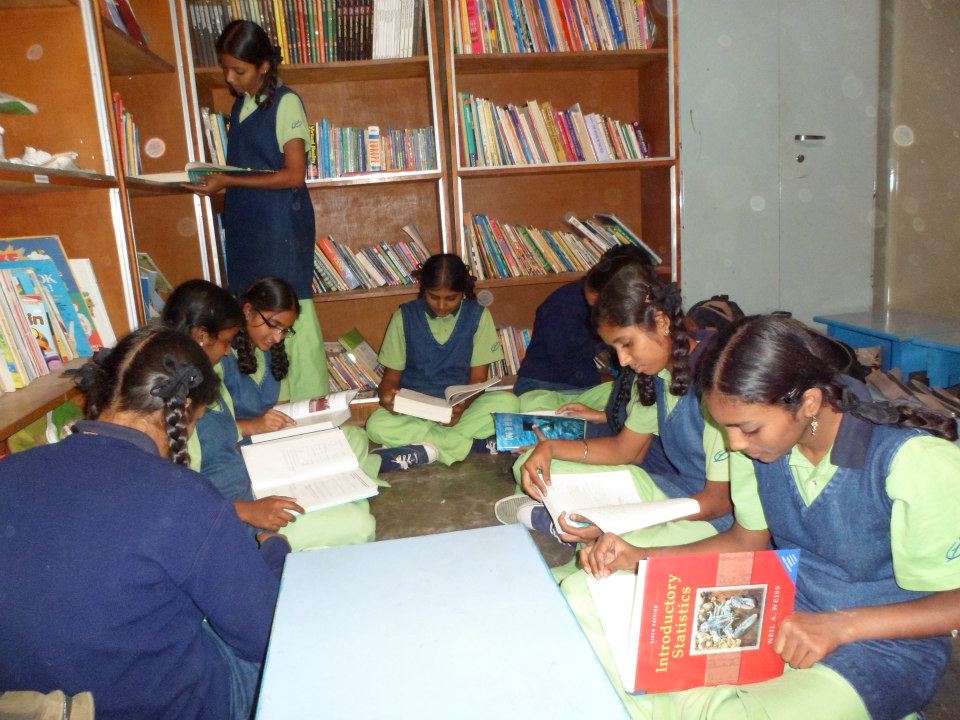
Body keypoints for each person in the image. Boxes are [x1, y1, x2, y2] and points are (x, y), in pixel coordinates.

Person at [567, 314, 960, 719]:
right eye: (727, 429)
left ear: (808, 402)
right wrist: (640, 558)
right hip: (778, 608)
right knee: (583, 596)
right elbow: (744, 541)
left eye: (748, 429)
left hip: (882, 646)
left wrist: (841, 626)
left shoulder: (913, 461)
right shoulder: (762, 448)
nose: (734, 444)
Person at [0, 326, 289, 720]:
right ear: (183, 412)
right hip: (158, 706)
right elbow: (268, 636)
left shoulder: (10, 472)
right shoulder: (186, 498)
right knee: (286, 649)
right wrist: (274, 551)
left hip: (38, 706)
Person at [499, 265, 734, 546]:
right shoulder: (654, 374)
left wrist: (620, 521)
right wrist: (551, 447)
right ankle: (573, 522)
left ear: (661, 322)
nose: (622, 361)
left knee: (599, 572)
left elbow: (719, 502)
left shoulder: (718, 378)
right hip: (668, 490)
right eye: (615, 349)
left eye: (627, 344)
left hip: (708, 515)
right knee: (533, 464)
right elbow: (625, 450)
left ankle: (577, 525)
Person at [162, 279, 377, 551]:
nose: (229, 351)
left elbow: (229, 437)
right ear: (202, 336)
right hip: (236, 516)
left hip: (254, 485)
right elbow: (183, 499)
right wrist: (249, 510)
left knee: (351, 487)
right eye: (226, 342)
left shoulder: (204, 380)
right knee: (360, 524)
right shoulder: (179, 402)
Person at [186, 20, 327, 399]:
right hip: (247, 228)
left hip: (281, 229)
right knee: (251, 314)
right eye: (225, 68)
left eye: (239, 70)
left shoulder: (287, 101)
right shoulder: (241, 104)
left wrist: (228, 181)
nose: (229, 77)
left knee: (289, 310)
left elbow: (294, 175)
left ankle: (310, 406)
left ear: (263, 66)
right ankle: (264, 405)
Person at [365, 253, 519, 470]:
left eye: (451, 298)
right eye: (433, 296)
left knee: (508, 403)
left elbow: (478, 381)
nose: (441, 306)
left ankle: (428, 447)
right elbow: (390, 380)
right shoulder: (404, 317)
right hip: (416, 413)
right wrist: (388, 398)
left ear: (463, 293)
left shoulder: (479, 316)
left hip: (460, 411)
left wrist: (462, 407)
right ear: (423, 289)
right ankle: (466, 444)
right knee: (376, 425)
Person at [514, 245, 655, 396]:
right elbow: (562, 358)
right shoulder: (566, 302)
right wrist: (601, 380)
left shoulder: (623, 306)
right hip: (545, 382)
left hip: (581, 380)